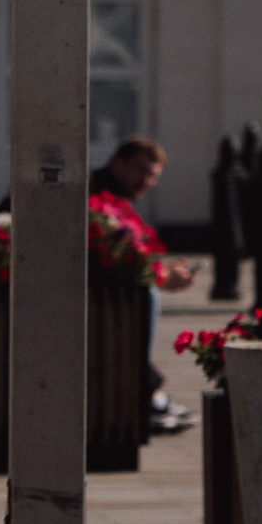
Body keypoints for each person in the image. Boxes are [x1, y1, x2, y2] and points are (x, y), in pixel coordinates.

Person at [92, 133, 196, 434]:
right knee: (145, 294)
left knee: (144, 293)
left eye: (153, 176)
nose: (146, 181)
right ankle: (146, 393)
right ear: (118, 162)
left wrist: (159, 271)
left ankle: (148, 392)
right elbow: (113, 260)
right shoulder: (98, 195)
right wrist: (160, 276)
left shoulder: (111, 196)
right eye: (141, 170)